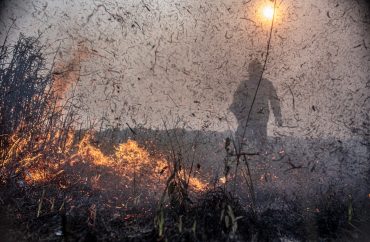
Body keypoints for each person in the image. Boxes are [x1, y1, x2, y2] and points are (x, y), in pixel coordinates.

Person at [230, 59, 282, 153]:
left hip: (260, 121)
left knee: (261, 146)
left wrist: (278, 115)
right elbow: (235, 104)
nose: (256, 72)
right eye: (254, 70)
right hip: (246, 121)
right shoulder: (244, 85)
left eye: (258, 69)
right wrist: (240, 118)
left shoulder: (267, 84)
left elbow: (275, 100)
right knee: (240, 146)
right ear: (250, 71)